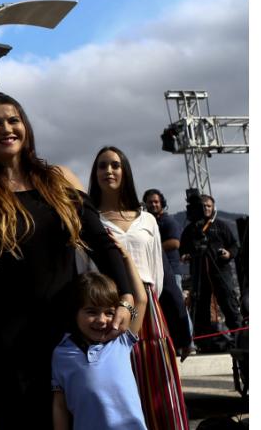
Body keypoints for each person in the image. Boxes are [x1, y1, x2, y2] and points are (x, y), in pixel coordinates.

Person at [0, 92, 136, 429]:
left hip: (68, 335)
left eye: (13, 120)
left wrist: (126, 298)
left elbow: (103, 245)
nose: (6, 128)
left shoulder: (57, 181)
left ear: (26, 127)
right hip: (7, 344)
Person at [88, 147, 187, 429]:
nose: (109, 170)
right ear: (94, 175)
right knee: (120, 387)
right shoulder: (91, 220)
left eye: (115, 165)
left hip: (150, 313)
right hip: (108, 308)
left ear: (125, 171)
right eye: (102, 166)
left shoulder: (147, 220)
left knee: (158, 388)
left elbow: (159, 273)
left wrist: (178, 327)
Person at [51, 267, 149, 430]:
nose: (102, 320)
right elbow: (59, 406)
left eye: (109, 313)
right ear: (75, 312)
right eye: (91, 311)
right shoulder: (61, 353)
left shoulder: (121, 340)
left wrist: (124, 258)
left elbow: (141, 299)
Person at [179, 194, 242, 346]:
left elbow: (234, 245)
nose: (206, 208)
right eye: (203, 205)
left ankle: (240, 338)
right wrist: (185, 256)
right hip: (199, 274)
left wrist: (229, 254)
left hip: (221, 272)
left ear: (213, 208)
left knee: (229, 304)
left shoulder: (221, 225)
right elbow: (182, 250)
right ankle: (205, 342)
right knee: (200, 307)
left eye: (209, 205)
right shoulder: (190, 229)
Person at [143, 188, 194, 356]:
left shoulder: (168, 221)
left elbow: (175, 243)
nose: (153, 204)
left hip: (172, 271)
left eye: (156, 201)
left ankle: (189, 342)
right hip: (155, 272)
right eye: (150, 202)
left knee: (178, 305)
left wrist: (150, 246)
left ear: (162, 203)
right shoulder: (148, 221)